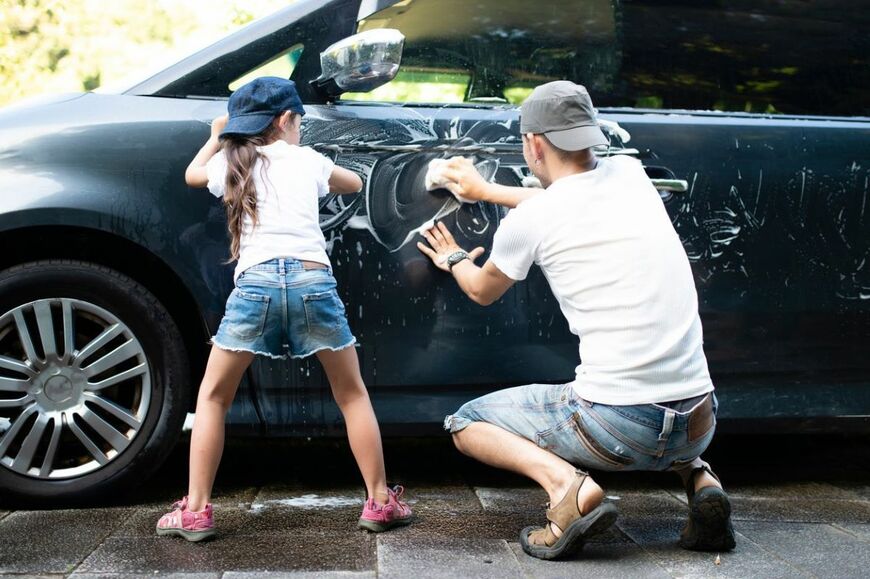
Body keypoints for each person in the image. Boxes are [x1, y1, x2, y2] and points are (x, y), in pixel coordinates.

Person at [417, 81, 736, 560]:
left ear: (533, 144)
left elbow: (482, 290)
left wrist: (455, 256)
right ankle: (700, 478)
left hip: (620, 428)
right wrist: (487, 191)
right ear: (590, 135)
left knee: (466, 424)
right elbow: (571, 201)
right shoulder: (631, 175)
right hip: (699, 419)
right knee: (667, 400)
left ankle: (569, 490)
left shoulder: (532, 221)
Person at [156, 77, 412, 542]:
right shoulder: (308, 159)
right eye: (299, 122)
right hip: (314, 282)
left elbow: (193, 175)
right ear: (286, 120)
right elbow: (353, 183)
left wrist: (216, 136)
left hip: (254, 286)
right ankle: (378, 501)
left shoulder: (233, 164)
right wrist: (312, 156)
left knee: (213, 397)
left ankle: (195, 510)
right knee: (351, 393)